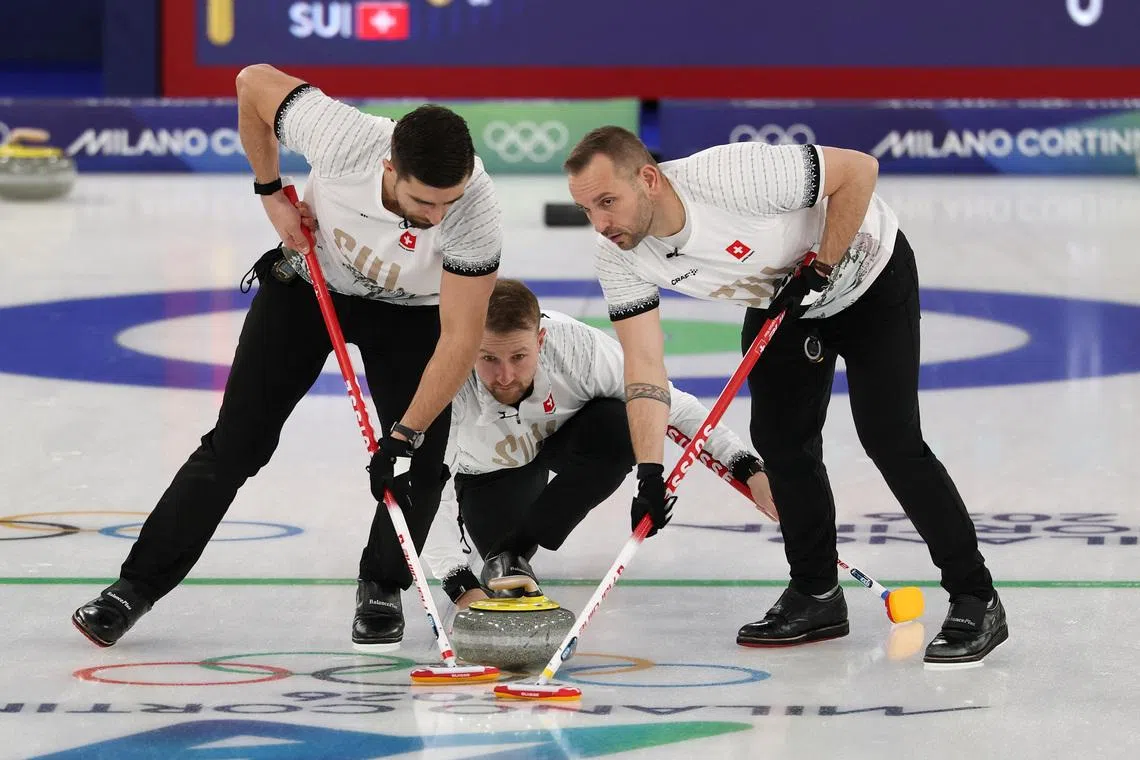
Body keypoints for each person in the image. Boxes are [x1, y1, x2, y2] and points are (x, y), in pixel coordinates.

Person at [71, 64, 502, 651]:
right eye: (424, 202)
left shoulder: (474, 209)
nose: (438, 218)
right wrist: (269, 189)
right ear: (389, 168)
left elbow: (458, 340)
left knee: (418, 465)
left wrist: (403, 434)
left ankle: (382, 584)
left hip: (413, 314)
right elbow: (252, 82)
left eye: (448, 204)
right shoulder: (346, 139)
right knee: (235, 446)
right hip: (311, 283)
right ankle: (134, 587)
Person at [562, 127, 1006, 666]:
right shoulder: (620, 257)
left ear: (649, 180)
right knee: (779, 439)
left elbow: (859, 170)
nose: (601, 224)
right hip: (787, 301)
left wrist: (820, 265)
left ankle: (975, 595)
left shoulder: (728, 177)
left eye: (608, 202)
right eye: (587, 210)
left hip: (869, 278)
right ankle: (816, 593)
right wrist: (650, 473)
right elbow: (645, 367)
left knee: (890, 438)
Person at [419, 278, 775, 608]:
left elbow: (670, 404)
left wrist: (747, 467)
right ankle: (504, 550)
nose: (506, 376)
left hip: (565, 440)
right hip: (489, 471)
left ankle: (513, 546)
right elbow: (426, 483)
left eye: (519, 357)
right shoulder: (449, 379)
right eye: (489, 359)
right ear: (469, 348)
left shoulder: (577, 349)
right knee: (500, 575)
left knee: (620, 427)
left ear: (540, 341)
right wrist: (459, 583)